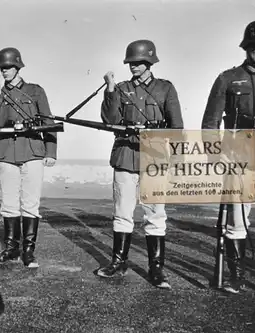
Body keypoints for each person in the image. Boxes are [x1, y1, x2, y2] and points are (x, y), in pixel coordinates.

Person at [202, 19, 255, 300]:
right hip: (238, 161)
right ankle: (236, 278)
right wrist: (215, 155)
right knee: (235, 224)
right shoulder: (228, 78)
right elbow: (210, 123)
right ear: (247, 47)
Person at [97, 40, 184, 289]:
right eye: (131, 63)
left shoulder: (165, 89)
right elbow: (109, 119)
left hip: (155, 160)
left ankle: (156, 270)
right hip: (125, 156)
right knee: (122, 213)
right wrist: (111, 89)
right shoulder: (121, 88)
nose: (134, 66)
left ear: (150, 63)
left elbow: (176, 127)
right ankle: (119, 262)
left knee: (155, 215)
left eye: (139, 62)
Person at [0, 47, 57, 268]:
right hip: (7, 153)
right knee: (8, 204)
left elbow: (49, 121)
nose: (4, 71)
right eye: (2, 68)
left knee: (30, 204)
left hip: (33, 151)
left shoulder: (35, 91)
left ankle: (28, 251)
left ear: (18, 67)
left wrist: (51, 151)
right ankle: (10, 249)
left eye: (8, 67)